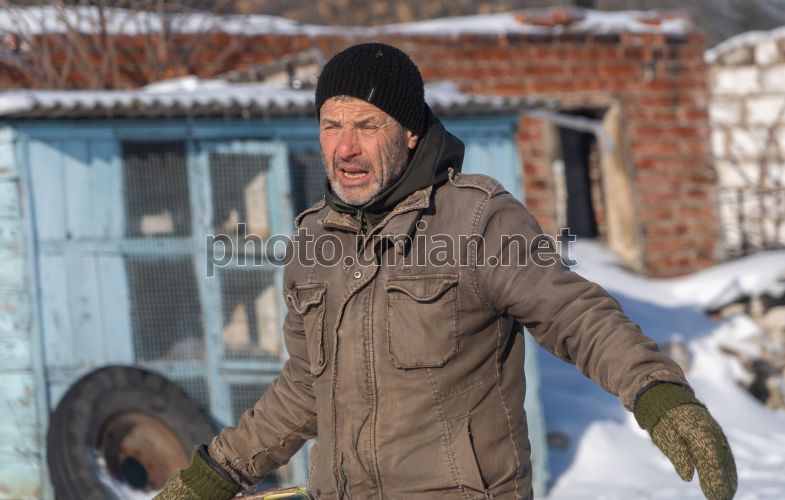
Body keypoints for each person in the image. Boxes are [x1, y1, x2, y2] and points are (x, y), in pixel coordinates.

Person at [157, 42, 736, 500]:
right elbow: (307, 387)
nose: (345, 148)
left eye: (367, 125)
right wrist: (216, 474)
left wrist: (658, 392)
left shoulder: (476, 219)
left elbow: (575, 315)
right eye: (331, 125)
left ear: (410, 132)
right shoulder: (314, 241)